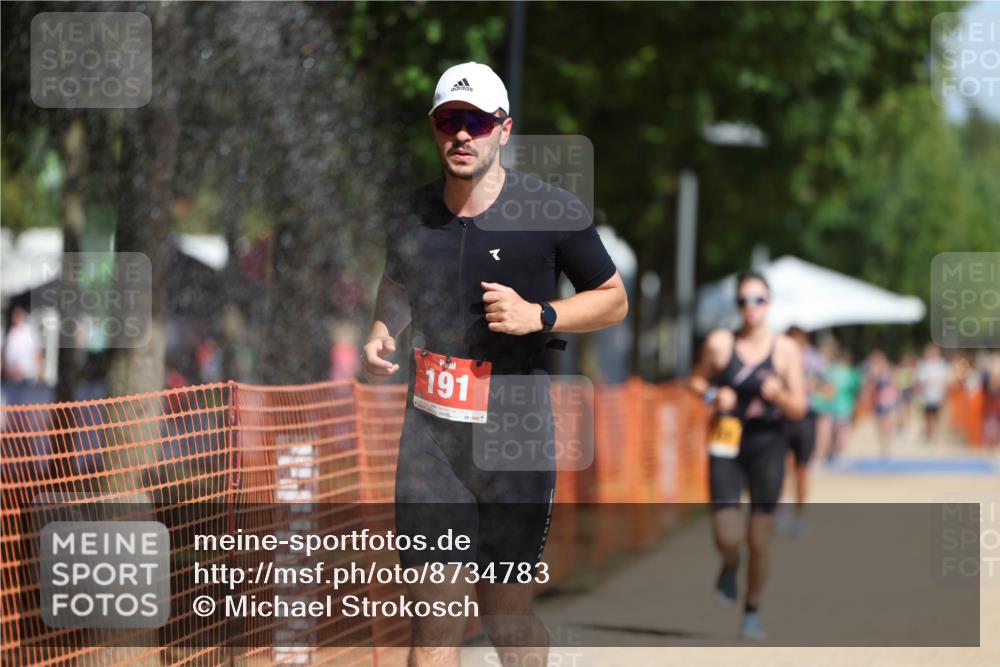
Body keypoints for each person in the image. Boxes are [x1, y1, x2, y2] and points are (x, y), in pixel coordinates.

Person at [362, 62, 627, 667]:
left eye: (477, 122)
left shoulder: (550, 211)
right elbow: (397, 282)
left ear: (503, 130)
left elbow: (614, 299)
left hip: (516, 437)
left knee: (505, 615)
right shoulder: (409, 213)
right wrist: (381, 330)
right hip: (430, 438)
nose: (462, 134)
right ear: (434, 128)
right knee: (435, 621)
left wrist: (542, 315)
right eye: (449, 121)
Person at [689, 272, 806, 641]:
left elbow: (799, 408)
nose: (751, 307)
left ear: (769, 303)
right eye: (743, 300)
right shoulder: (720, 344)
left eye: (758, 299)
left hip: (768, 443)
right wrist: (712, 396)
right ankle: (729, 563)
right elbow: (695, 380)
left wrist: (779, 395)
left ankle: (752, 611)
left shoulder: (786, 350)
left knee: (759, 540)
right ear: (737, 305)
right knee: (728, 533)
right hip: (726, 441)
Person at [782, 326, 824, 537]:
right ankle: (782, 509)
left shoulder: (814, 359)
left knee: (802, 469)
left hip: (806, 418)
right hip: (784, 417)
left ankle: (799, 514)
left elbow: (826, 386)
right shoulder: (778, 355)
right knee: (784, 466)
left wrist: (812, 386)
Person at [916, 343, 950, 442]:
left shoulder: (942, 364)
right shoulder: (923, 365)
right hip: (927, 396)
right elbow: (920, 381)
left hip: (939, 395)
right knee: (928, 416)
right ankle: (930, 434)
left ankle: (935, 435)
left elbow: (946, 380)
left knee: (937, 416)